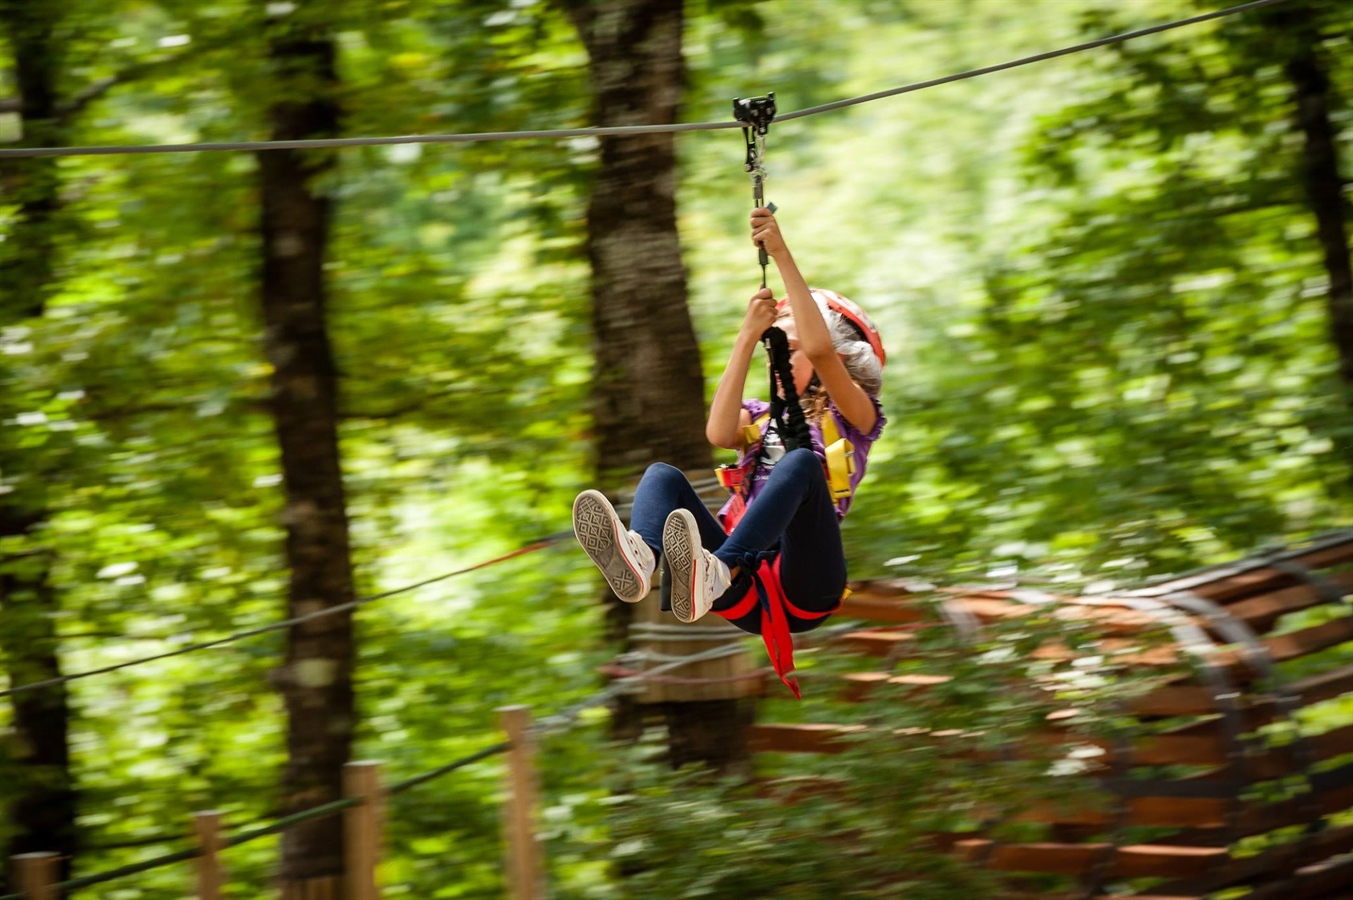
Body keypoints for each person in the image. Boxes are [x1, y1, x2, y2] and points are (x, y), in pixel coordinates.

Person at [571, 207, 886, 696]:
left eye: (789, 346)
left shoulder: (855, 419)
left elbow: (821, 349)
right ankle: (644, 557)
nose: (778, 354)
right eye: (774, 347)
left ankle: (722, 564)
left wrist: (779, 253)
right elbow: (718, 432)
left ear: (839, 359)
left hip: (804, 585)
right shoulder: (759, 415)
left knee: (802, 463)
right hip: (737, 589)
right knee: (660, 476)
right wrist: (746, 337)